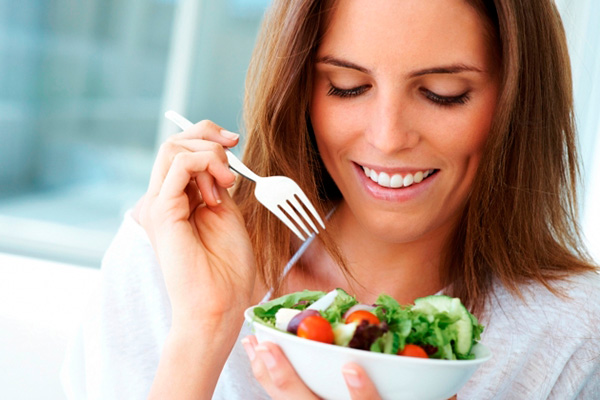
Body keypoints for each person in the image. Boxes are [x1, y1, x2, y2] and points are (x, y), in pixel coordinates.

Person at [61, 0, 600, 399]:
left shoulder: (573, 334)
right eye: (346, 86)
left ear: (516, 99)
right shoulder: (171, 257)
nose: (388, 138)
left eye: (443, 93)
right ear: (299, 89)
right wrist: (203, 330)